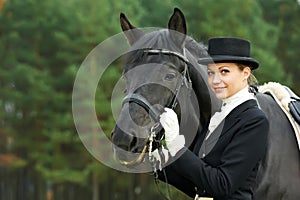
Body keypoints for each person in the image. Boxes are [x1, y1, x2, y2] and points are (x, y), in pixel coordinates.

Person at [157, 37, 269, 200]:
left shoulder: (254, 121)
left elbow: (222, 185)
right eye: (211, 73)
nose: (215, 81)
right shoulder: (216, 118)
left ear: (245, 73)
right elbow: (200, 185)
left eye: (224, 71)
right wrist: (161, 162)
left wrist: (176, 145)